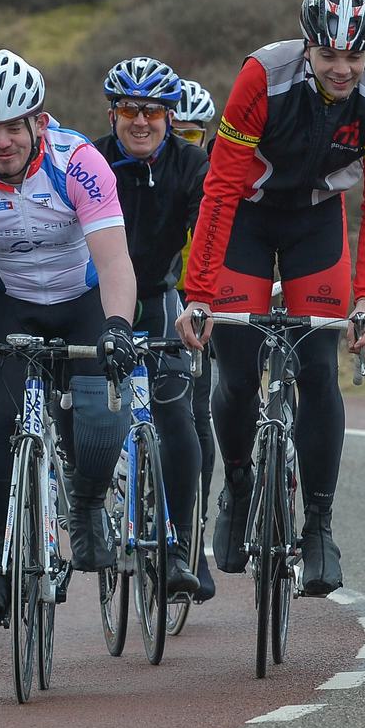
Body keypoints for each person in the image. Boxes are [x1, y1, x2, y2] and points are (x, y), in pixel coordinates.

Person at [174, 0, 365, 598]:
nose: (341, 69)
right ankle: (239, 482)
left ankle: (319, 526)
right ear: (308, 45)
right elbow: (220, 188)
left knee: (319, 368)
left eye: (354, 56)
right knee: (237, 368)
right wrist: (198, 293)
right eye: (328, 55)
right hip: (246, 216)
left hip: (315, 222)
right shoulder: (262, 77)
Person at [0, 49, 137, 628]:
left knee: (97, 421)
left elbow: (115, 262)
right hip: (8, 303)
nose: (2, 141)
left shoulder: (81, 163)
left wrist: (117, 327)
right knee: (1, 420)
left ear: (38, 122)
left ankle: (86, 506)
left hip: (81, 300)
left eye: (13, 127)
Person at [94, 56, 209, 601]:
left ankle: (179, 549)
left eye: (154, 111)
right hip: (94, 297)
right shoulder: (90, 160)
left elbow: (207, 236)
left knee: (175, 412)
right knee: (85, 409)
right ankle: (88, 511)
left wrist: (201, 300)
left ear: (169, 116)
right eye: (130, 110)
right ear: (113, 114)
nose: (141, 122)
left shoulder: (191, 163)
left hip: (160, 296)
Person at [171, 77, 219, 595]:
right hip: (151, 292)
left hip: (203, 302)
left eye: (191, 135)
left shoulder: (215, 174)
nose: (183, 143)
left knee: (197, 412)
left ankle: (191, 542)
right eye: (175, 132)